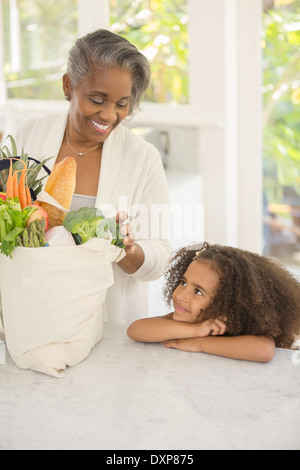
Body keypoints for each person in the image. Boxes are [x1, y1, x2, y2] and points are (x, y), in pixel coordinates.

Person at [15, 29, 171, 325]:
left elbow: (160, 259)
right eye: (97, 100)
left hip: (106, 322)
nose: (109, 115)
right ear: (68, 86)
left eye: (122, 103)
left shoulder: (141, 158)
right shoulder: (30, 134)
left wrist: (126, 248)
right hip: (31, 315)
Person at [127, 242, 300, 362]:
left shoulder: (226, 324)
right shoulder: (191, 321)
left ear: (226, 303)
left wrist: (201, 343)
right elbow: (135, 330)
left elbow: (265, 350)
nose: (181, 295)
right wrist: (195, 330)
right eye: (183, 282)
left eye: (198, 291)